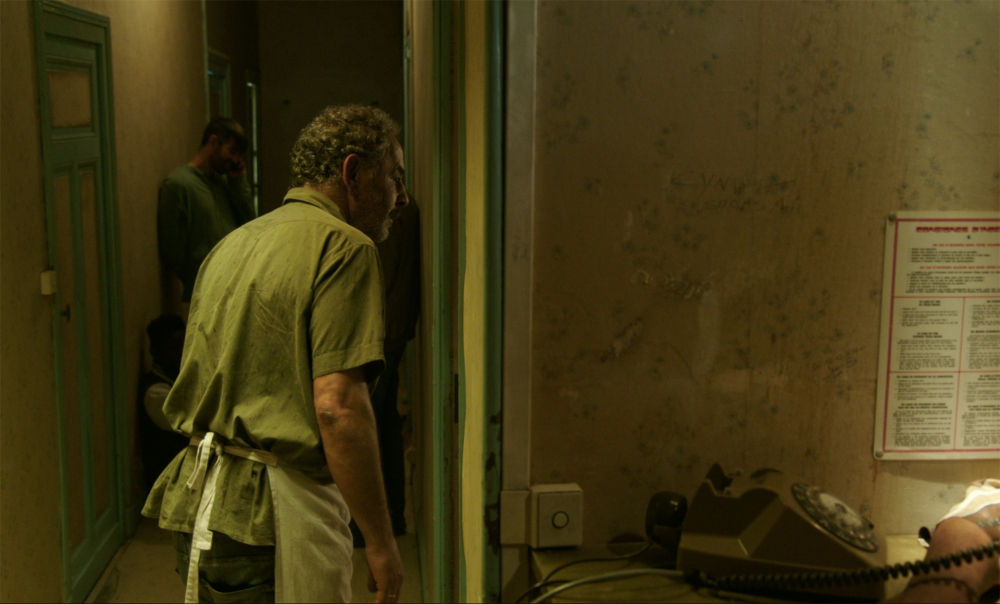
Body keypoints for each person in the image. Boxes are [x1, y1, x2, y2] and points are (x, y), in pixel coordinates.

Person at [142, 105, 408, 604]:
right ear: (353, 173)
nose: (402, 196)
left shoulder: (234, 243)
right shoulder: (344, 247)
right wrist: (379, 540)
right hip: (270, 520)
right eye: (395, 175)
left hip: (200, 508)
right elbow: (337, 407)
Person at [352, 197, 420, 546]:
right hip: (390, 328)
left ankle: (372, 525)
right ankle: (391, 517)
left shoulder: (388, 206)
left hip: (379, 331)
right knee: (383, 420)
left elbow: (380, 276)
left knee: (367, 425)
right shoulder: (399, 205)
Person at [158, 117, 256, 311]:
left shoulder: (225, 184)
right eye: (232, 151)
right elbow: (172, 250)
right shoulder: (179, 184)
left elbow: (251, 225)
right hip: (203, 294)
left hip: (236, 288)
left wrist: (238, 183)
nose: (235, 160)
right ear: (213, 142)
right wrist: (198, 273)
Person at [137, 314, 189, 490]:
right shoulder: (155, 392)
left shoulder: (179, 380)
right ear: (154, 351)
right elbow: (191, 422)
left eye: (183, 346)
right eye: (172, 348)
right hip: (169, 485)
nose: (180, 354)